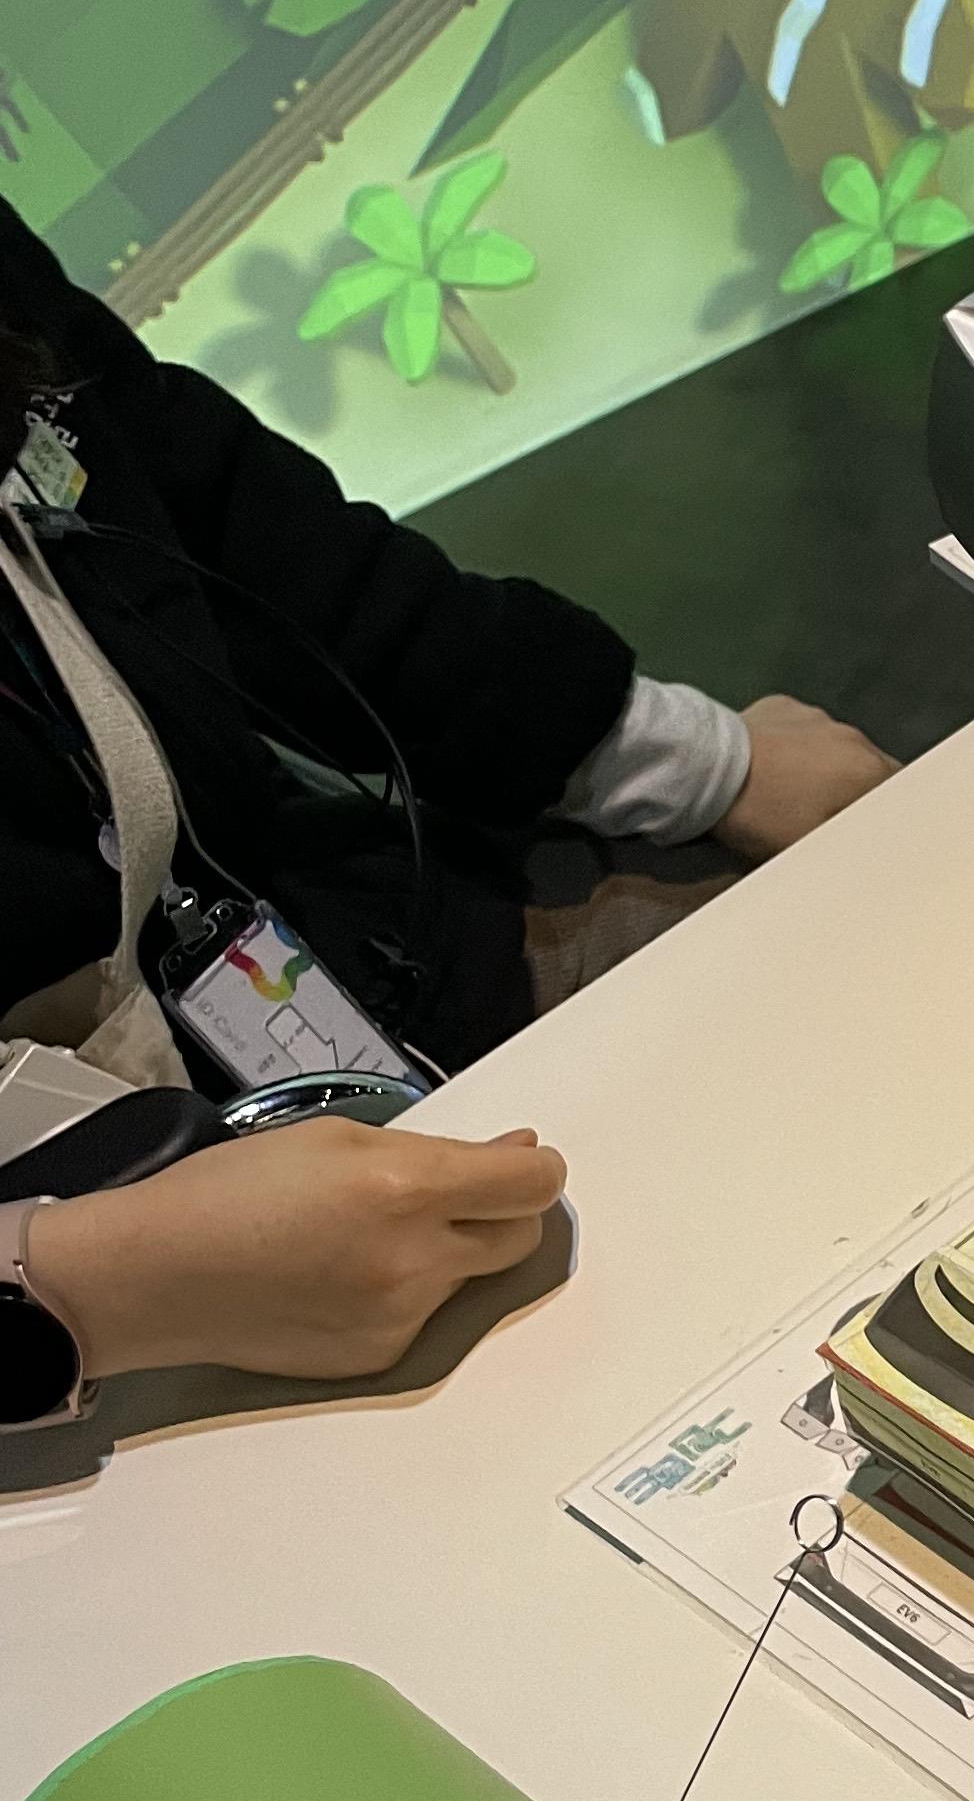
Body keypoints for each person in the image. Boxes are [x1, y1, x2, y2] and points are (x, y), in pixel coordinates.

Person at [0, 196, 893, 1403]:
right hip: (90, 1320)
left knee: (892, 940)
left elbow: (198, 496)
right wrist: (82, 1288)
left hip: (336, 952)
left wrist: (674, 754)